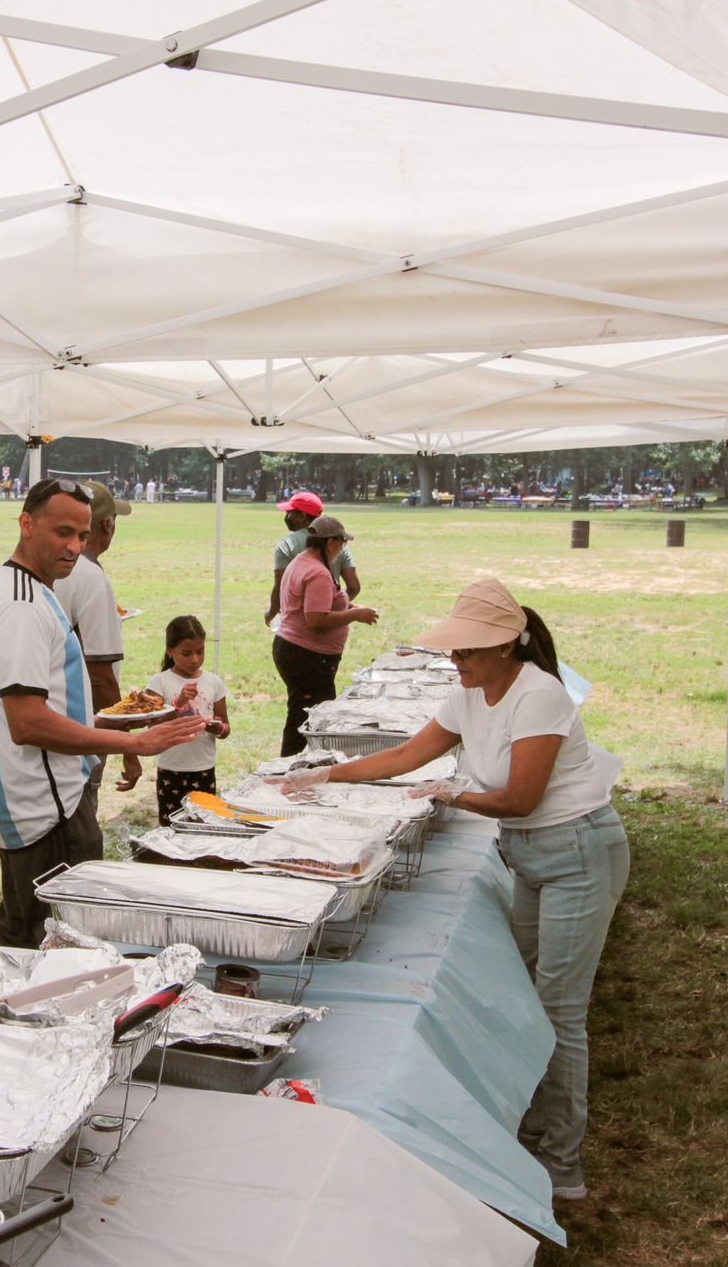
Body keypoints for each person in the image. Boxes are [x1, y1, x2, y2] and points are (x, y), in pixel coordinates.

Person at [268, 579, 624, 1202]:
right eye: (453, 651)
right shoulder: (470, 695)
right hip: (530, 853)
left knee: (560, 1009)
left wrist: (449, 792)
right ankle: (526, 1121)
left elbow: (519, 798)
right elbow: (406, 756)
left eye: (467, 651)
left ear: (508, 647)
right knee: (527, 994)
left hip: (577, 852)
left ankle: (561, 1162)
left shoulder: (539, 696)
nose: (454, 662)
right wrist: (321, 772)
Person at [0, 478, 206, 947]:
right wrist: (133, 744)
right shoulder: (21, 606)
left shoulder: (35, 591)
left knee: (36, 937)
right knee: (51, 945)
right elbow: (29, 723)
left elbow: (57, 706)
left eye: (81, 535)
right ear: (26, 524)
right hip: (44, 807)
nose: (75, 547)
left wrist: (142, 719)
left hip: (45, 798)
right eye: (62, 533)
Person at [53, 481, 137, 802]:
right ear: (106, 524)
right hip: (81, 722)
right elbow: (101, 676)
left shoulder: (50, 566)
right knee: (81, 811)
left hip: (50, 717)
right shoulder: (90, 577)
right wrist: (129, 749)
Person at [271, 513, 377, 755]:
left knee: (306, 713)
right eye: (342, 543)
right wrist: (355, 615)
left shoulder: (301, 561)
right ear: (330, 543)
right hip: (308, 657)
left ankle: (299, 766)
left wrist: (351, 608)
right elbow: (316, 618)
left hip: (295, 650)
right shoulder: (318, 572)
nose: (342, 548)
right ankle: (293, 767)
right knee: (307, 719)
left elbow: (320, 605)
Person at [136, 615, 231, 825]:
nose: (195, 659)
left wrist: (215, 727)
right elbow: (153, 724)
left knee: (204, 824)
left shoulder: (214, 682)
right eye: (186, 653)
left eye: (200, 651)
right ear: (170, 651)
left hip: (204, 768)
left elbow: (225, 729)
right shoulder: (160, 682)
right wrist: (178, 704)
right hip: (171, 768)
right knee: (171, 826)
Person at [266, 490, 359, 626]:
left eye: (290, 512)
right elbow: (354, 587)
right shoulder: (337, 543)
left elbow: (280, 586)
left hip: (296, 629)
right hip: (328, 627)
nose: (287, 517)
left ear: (302, 515)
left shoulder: (286, 545)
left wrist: (271, 612)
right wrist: (332, 606)